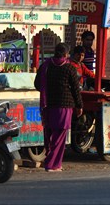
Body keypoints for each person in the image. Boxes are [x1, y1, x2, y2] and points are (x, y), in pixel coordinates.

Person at [34, 43, 83, 172]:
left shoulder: (46, 66)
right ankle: (52, 164)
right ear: (66, 54)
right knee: (59, 135)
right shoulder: (69, 68)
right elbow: (76, 90)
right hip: (64, 105)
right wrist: (79, 105)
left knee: (50, 133)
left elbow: (37, 84)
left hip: (48, 105)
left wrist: (47, 91)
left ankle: (51, 162)